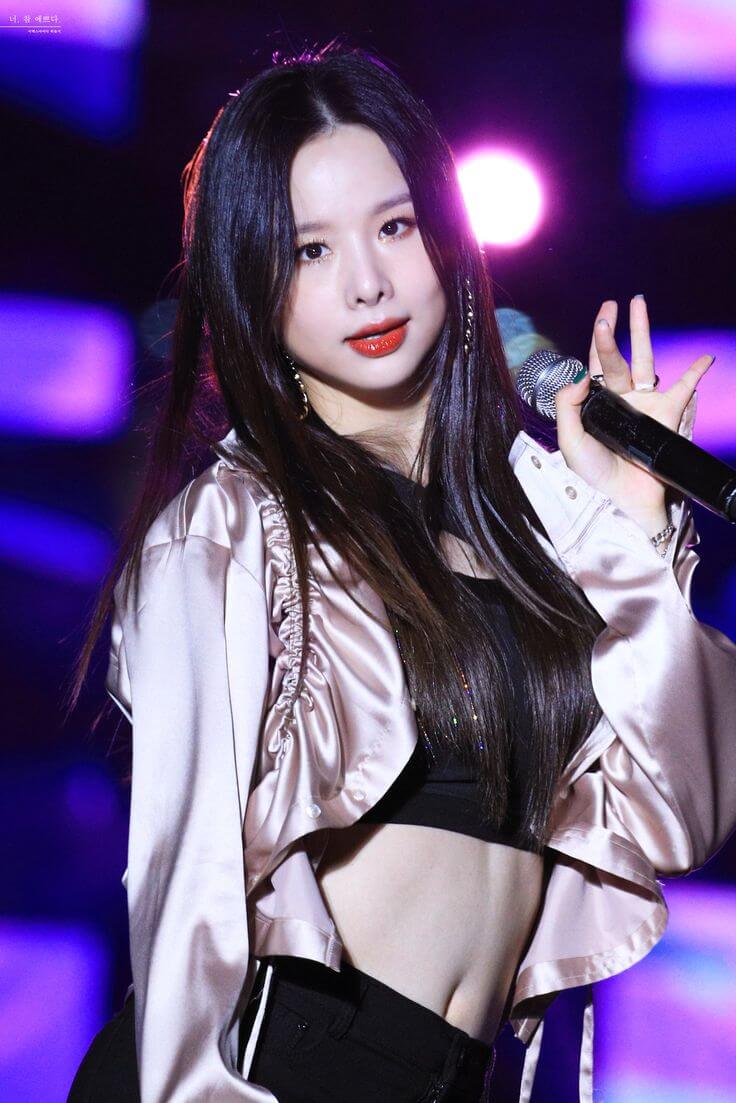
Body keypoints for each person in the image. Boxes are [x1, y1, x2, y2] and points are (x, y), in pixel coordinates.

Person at [66, 41, 736, 1103]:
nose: (367, 282)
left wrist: (629, 529)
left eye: (393, 226)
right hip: (276, 1064)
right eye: (309, 250)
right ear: (252, 283)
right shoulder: (234, 529)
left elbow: (687, 813)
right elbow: (182, 875)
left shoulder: (533, 528)